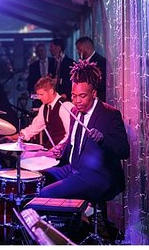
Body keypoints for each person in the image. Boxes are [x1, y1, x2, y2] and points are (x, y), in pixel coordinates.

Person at [40, 60, 128, 203]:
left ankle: (73, 223)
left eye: (82, 96)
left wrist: (103, 139)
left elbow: (124, 151)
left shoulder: (109, 114)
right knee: (36, 180)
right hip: (72, 169)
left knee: (45, 193)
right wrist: (63, 149)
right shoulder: (74, 111)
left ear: (93, 93)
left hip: (97, 175)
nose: (77, 101)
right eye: (73, 96)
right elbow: (75, 142)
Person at [17, 76, 74, 149]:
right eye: (38, 95)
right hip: (51, 147)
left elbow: (70, 134)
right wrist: (20, 136)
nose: (39, 98)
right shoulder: (44, 107)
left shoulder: (65, 106)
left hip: (63, 151)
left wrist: (59, 148)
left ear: (51, 91)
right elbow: (35, 127)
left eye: (41, 94)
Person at [75, 36, 108, 101]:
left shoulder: (101, 62)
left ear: (88, 47)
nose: (78, 52)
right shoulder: (81, 62)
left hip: (97, 100)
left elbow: (102, 83)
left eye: (80, 49)